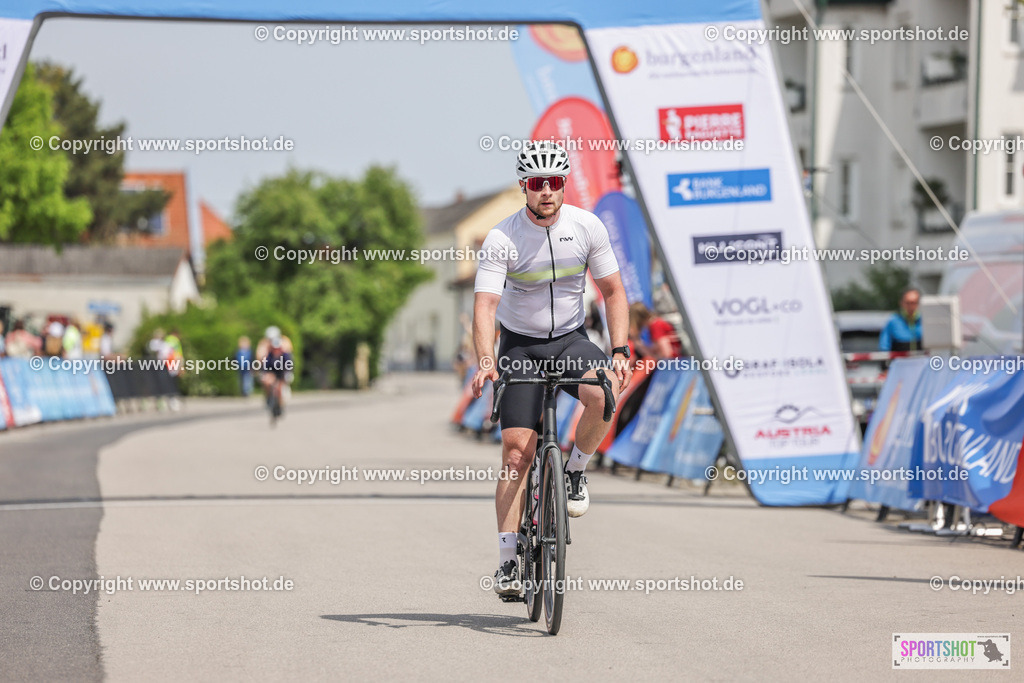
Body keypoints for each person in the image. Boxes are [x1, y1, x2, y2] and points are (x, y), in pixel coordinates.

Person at [471, 141, 632, 596]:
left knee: (604, 391)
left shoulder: (587, 227)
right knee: (517, 453)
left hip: (570, 340)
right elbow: (485, 306)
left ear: (563, 185)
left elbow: (614, 292)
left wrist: (619, 350)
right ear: (525, 187)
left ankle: (576, 470)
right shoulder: (502, 238)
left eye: (555, 183)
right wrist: (487, 360)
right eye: (538, 184)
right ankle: (507, 562)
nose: (547, 191)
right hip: (520, 346)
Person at [255, 326, 294, 409]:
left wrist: (288, 373)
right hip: (271, 369)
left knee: (280, 387)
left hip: (281, 370)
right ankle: (268, 397)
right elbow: (262, 360)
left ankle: (280, 404)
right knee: (267, 382)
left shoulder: (285, 344)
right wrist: (262, 372)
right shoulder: (264, 346)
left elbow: (289, 361)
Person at [879, 287, 923, 352]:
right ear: (901, 303)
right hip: (898, 361)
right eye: (907, 303)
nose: (911, 307)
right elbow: (884, 346)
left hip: (922, 361)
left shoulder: (925, 322)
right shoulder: (893, 321)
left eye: (914, 303)